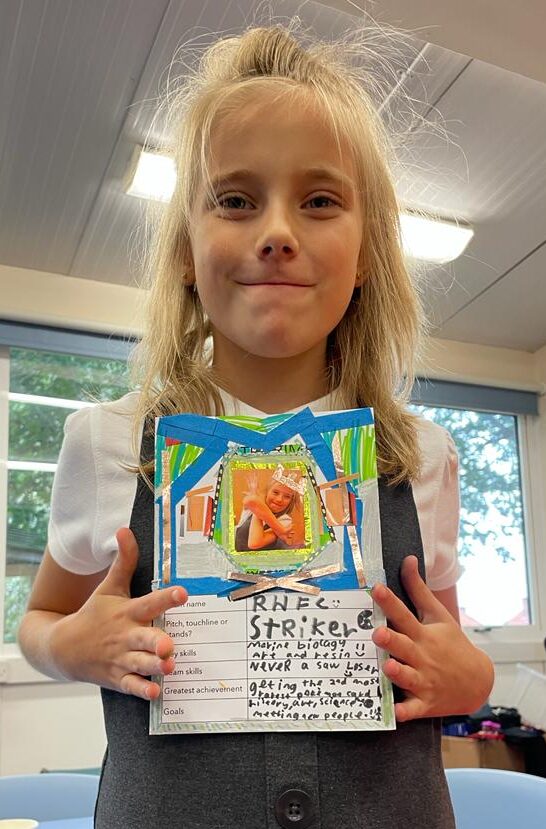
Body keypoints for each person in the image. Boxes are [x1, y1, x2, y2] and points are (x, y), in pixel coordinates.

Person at [18, 21, 494, 828]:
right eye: (236, 200)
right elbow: (40, 620)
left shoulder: (423, 458)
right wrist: (67, 647)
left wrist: (471, 681)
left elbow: (453, 643)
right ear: (184, 249)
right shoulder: (105, 444)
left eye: (318, 200)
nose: (277, 232)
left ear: (369, 248)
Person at [235, 467, 304, 552]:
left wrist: (258, 512)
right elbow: (250, 501)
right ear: (267, 493)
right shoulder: (252, 507)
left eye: (287, 496)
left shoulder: (284, 520)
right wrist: (280, 530)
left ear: (291, 501)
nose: (279, 499)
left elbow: (254, 544)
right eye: (275, 492)